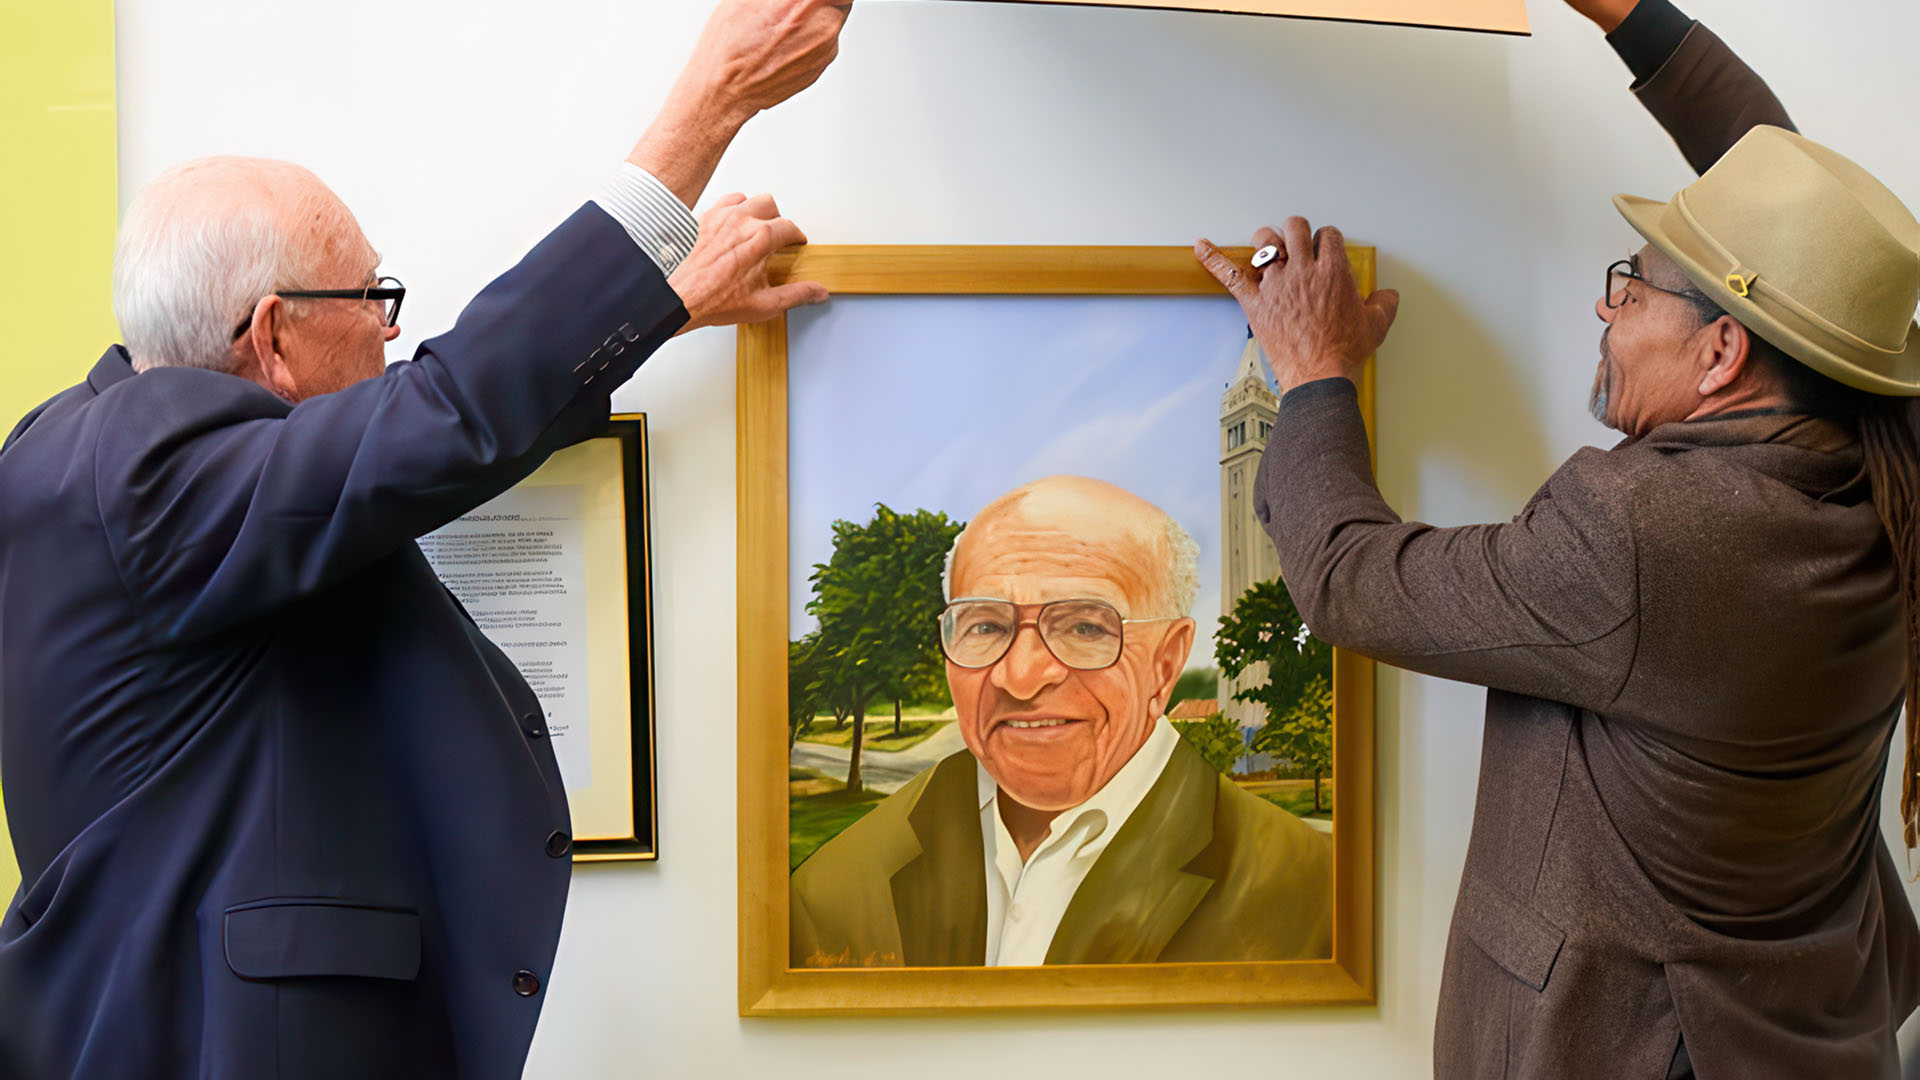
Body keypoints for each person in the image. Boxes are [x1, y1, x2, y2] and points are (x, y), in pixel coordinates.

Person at [0, 1, 852, 1076]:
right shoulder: (141, 464)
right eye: (374, 296)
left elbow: (417, 441)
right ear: (271, 334)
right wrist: (711, 102)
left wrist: (659, 308)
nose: (391, 328)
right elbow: (443, 415)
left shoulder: (118, 466)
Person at [1195, 0, 1920, 1076]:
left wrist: (1313, 373)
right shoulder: (1887, 445)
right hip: (1816, 1038)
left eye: (1632, 286)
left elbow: (1348, 577)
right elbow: (1805, 227)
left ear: (1723, 351)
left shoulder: (1647, 535)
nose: (1604, 307)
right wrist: (1630, 15)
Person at [790, 475, 1332, 968]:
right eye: (985, 626)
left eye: (1085, 627)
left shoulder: (1313, 898)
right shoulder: (832, 892)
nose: (1021, 676)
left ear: (1166, 663)